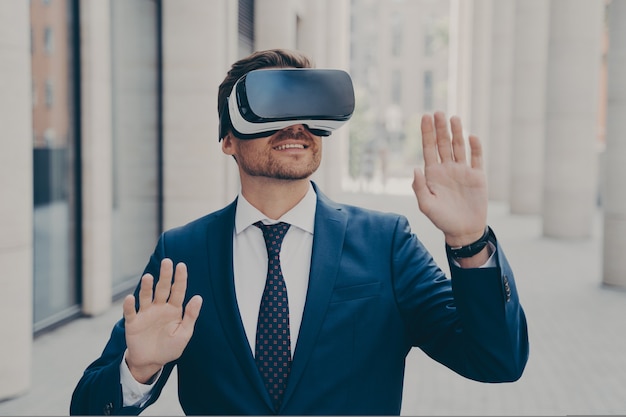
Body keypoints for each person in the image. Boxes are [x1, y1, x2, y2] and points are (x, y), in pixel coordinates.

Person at [70, 49, 528, 416]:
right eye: (272, 108)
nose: (295, 126)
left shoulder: (385, 243)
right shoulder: (183, 251)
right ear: (228, 139)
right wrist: (138, 369)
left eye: (307, 109)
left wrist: (469, 242)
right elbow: (88, 408)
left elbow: (496, 361)